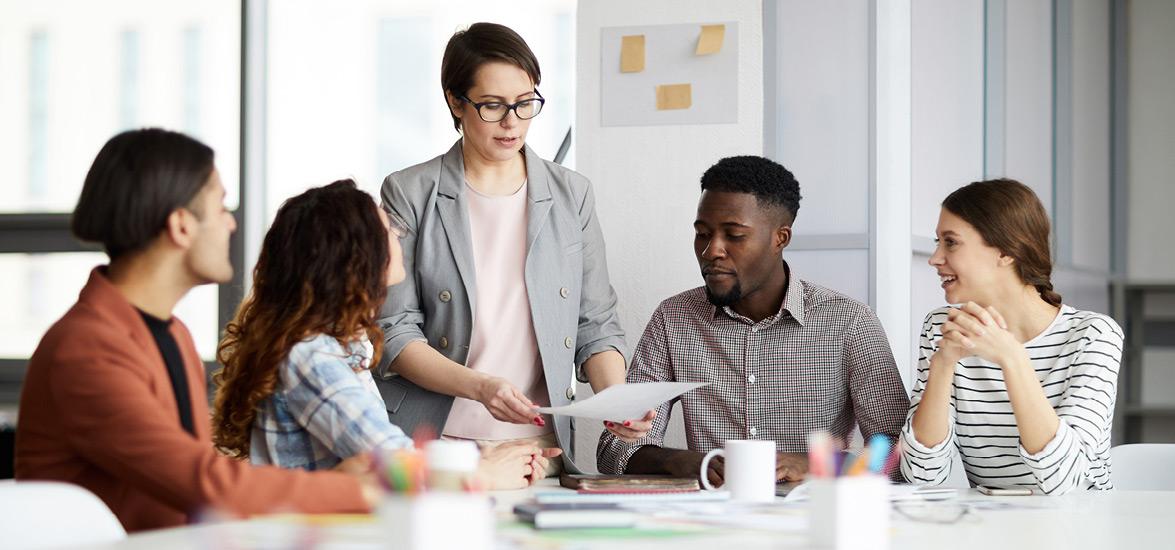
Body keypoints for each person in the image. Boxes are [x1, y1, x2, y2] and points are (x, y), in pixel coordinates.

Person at [14, 129, 375, 532]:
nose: (231, 225)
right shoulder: (86, 349)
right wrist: (357, 491)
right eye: (220, 207)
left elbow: (201, 475)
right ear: (182, 226)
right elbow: (205, 482)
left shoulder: (172, 333)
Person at [375, 22, 651, 474]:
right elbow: (394, 331)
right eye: (492, 106)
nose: (512, 122)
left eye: (525, 104)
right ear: (455, 102)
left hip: (538, 446)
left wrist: (615, 401)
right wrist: (481, 387)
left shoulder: (571, 194)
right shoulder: (409, 191)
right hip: (433, 443)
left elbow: (595, 322)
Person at [212, 180, 557, 489]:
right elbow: (388, 458)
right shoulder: (311, 355)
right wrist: (485, 472)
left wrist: (500, 458)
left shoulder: (339, 344)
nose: (400, 235)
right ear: (355, 257)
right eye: (389, 229)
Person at [596, 156, 909, 483]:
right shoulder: (672, 318)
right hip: (708, 522)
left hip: (813, 521)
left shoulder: (849, 322)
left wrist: (817, 465)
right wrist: (691, 463)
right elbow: (614, 446)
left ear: (780, 238)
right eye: (703, 234)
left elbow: (896, 454)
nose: (711, 250)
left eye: (734, 235)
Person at [900, 179, 1122, 494]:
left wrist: (1013, 358)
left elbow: (1066, 481)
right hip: (985, 527)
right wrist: (943, 365)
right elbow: (922, 475)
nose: (935, 258)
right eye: (938, 242)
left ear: (1005, 251)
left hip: (1076, 527)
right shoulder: (943, 327)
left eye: (950, 242)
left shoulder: (1092, 335)